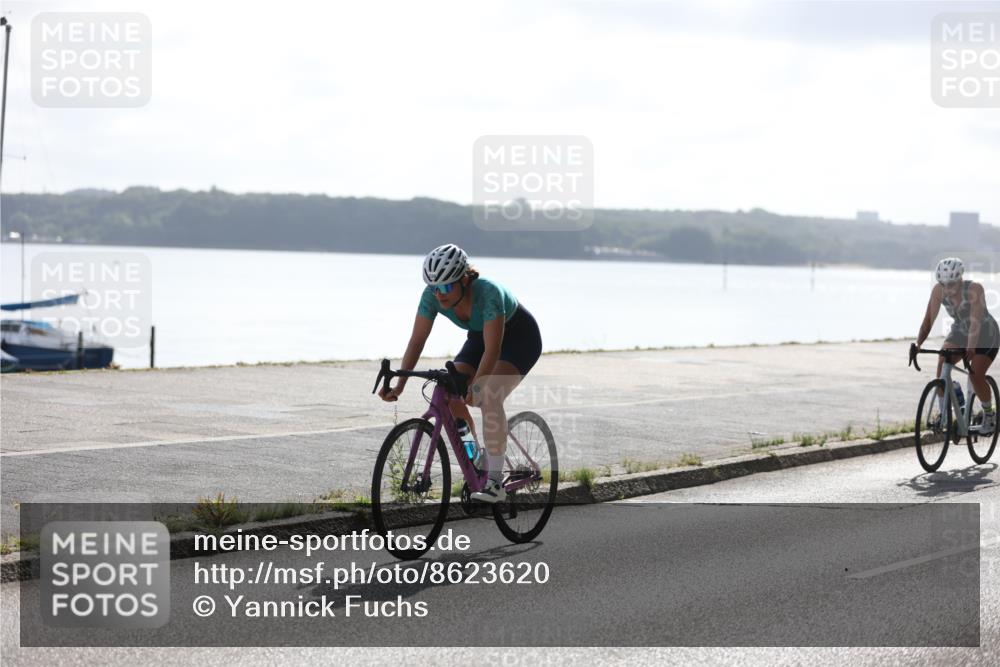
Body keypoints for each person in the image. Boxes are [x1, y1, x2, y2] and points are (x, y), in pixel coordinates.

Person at [378, 244, 543, 502]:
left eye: (445, 287)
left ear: (465, 279)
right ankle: (477, 455)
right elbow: (416, 341)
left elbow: (493, 350)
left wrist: (477, 386)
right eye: (434, 287)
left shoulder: (488, 293)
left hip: (519, 339)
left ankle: (495, 483)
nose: (439, 294)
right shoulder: (431, 296)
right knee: (448, 391)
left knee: (488, 395)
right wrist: (400, 385)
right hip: (480, 337)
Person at [915, 257, 999, 435]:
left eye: (951, 284)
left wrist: (971, 348)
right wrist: (918, 343)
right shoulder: (938, 291)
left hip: (985, 334)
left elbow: (975, 323)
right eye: (943, 284)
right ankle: (945, 413)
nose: (948, 289)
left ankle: (989, 413)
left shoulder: (974, 289)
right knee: (943, 362)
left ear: (960, 278)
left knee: (976, 375)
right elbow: (928, 320)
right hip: (960, 330)